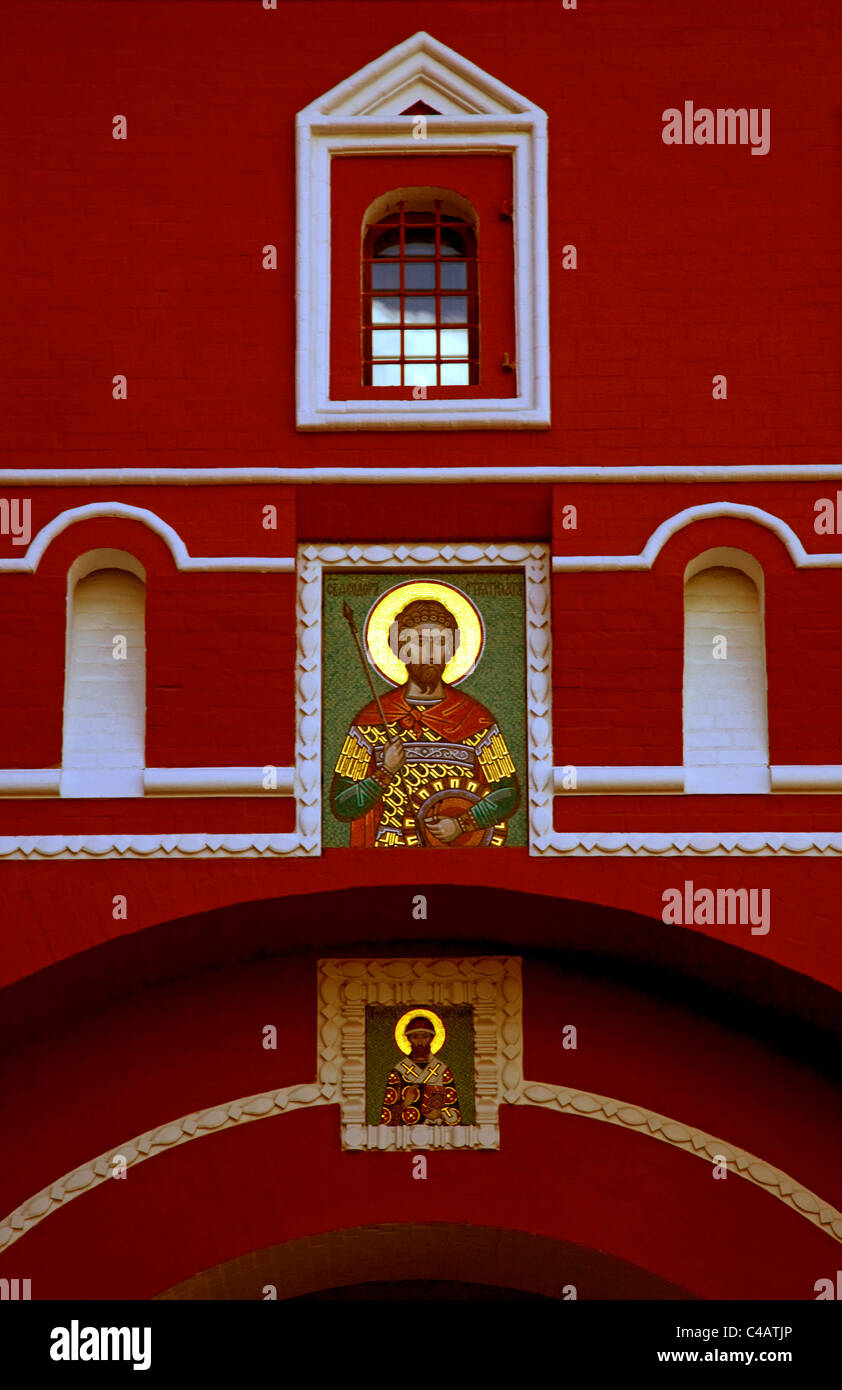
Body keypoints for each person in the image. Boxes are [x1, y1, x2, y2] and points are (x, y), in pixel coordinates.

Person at [331, 597, 519, 848]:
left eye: (440, 643)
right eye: (419, 643)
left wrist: (463, 823)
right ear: (399, 649)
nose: (430, 652)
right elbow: (342, 806)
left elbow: (508, 794)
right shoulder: (372, 721)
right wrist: (385, 772)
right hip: (391, 850)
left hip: (455, 852)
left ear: (452, 650)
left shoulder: (475, 718)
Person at [380, 1016, 461, 1126]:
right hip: (404, 1134)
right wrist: (405, 1103)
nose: (420, 1042)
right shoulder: (398, 1072)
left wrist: (440, 1114)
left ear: (431, 1038)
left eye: (424, 1037)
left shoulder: (442, 1071)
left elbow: (454, 1109)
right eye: (415, 1037)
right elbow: (387, 1116)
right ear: (408, 1039)